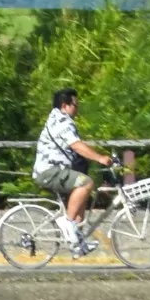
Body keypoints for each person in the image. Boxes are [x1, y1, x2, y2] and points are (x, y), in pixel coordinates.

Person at [33, 86, 113, 258]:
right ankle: (67, 222)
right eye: (75, 105)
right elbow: (76, 145)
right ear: (65, 105)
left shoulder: (56, 118)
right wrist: (100, 158)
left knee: (82, 191)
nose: (78, 109)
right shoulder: (63, 121)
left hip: (54, 171)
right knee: (86, 183)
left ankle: (77, 243)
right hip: (50, 172)